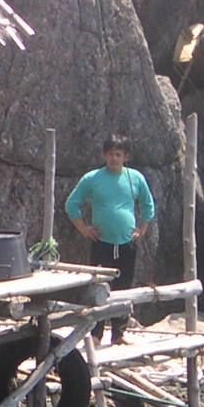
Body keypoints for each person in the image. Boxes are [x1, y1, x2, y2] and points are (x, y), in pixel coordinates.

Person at [64, 133, 156, 344]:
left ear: (126, 157)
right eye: (110, 154)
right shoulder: (92, 178)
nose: (114, 158)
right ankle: (96, 334)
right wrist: (83, 229)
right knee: (99, 288)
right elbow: (72, 204)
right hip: (101, 244)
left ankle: (119, 333)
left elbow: (148, 205)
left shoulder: (136, 178)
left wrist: (142, 228)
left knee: (124, 287)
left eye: (118, 154)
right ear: (104, 155)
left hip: (126, 243)